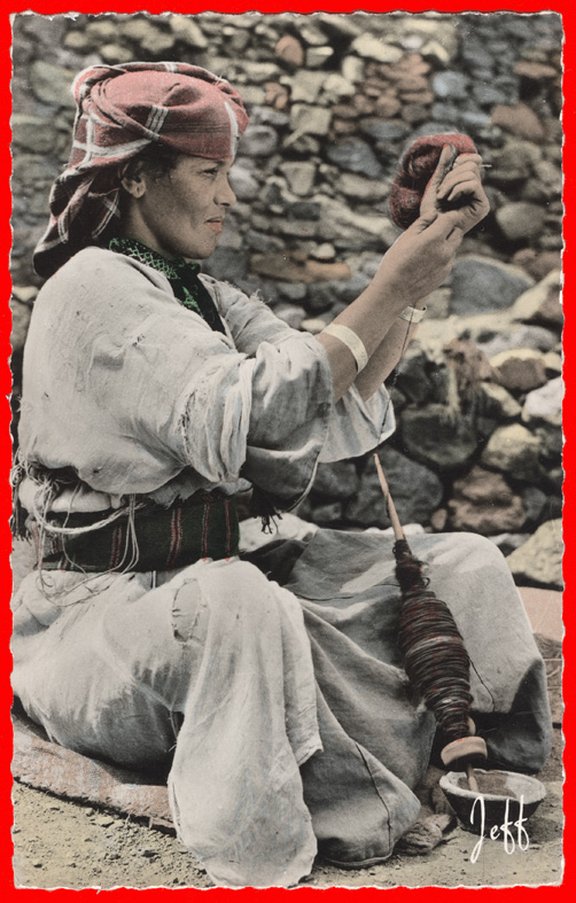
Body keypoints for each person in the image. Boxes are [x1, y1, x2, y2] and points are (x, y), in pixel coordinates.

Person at [11, 62, 551, 888]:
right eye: (209, 172)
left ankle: (469, 755)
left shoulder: (204, 297)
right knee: (240, 604)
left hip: (216, 576)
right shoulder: (92, 291)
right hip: (103, 619)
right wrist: (392, 278)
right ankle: (266, 836)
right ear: (139, 177)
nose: (230, 195)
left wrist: (419, 262)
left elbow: (325, 400)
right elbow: (255, 408)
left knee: (466, 561)